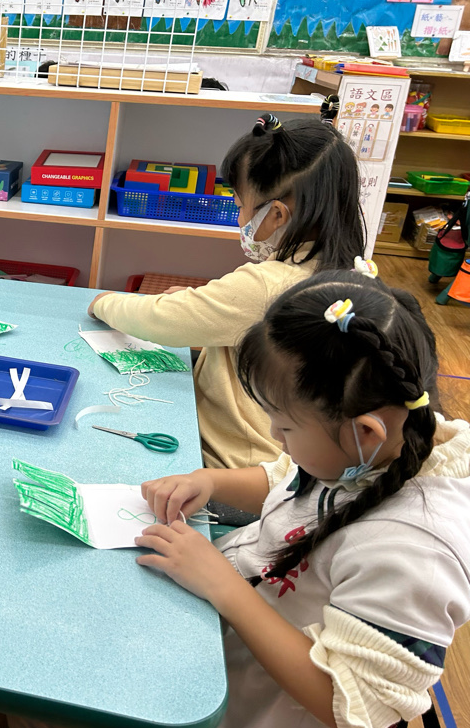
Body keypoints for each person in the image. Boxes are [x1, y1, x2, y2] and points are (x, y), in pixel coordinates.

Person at [14, 269, 470, 728]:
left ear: (366, 432)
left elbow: (347, 705)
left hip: (245, 712)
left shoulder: (418, 554)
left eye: (285, 427)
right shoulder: (377, 448)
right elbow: (288, 479)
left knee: (38, 717)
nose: (274, 436)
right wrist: (210, 481)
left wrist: (223, 586)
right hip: (218, 632)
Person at [88, 113, 365, 471]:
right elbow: (235, 317)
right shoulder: (349, 273)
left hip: (236, 460)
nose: (239, 218)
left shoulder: (267, 286)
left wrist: (104, 303)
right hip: (282, 458)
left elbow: (162, 320)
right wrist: (204, 302)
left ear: (277, 215)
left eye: (239, 205)